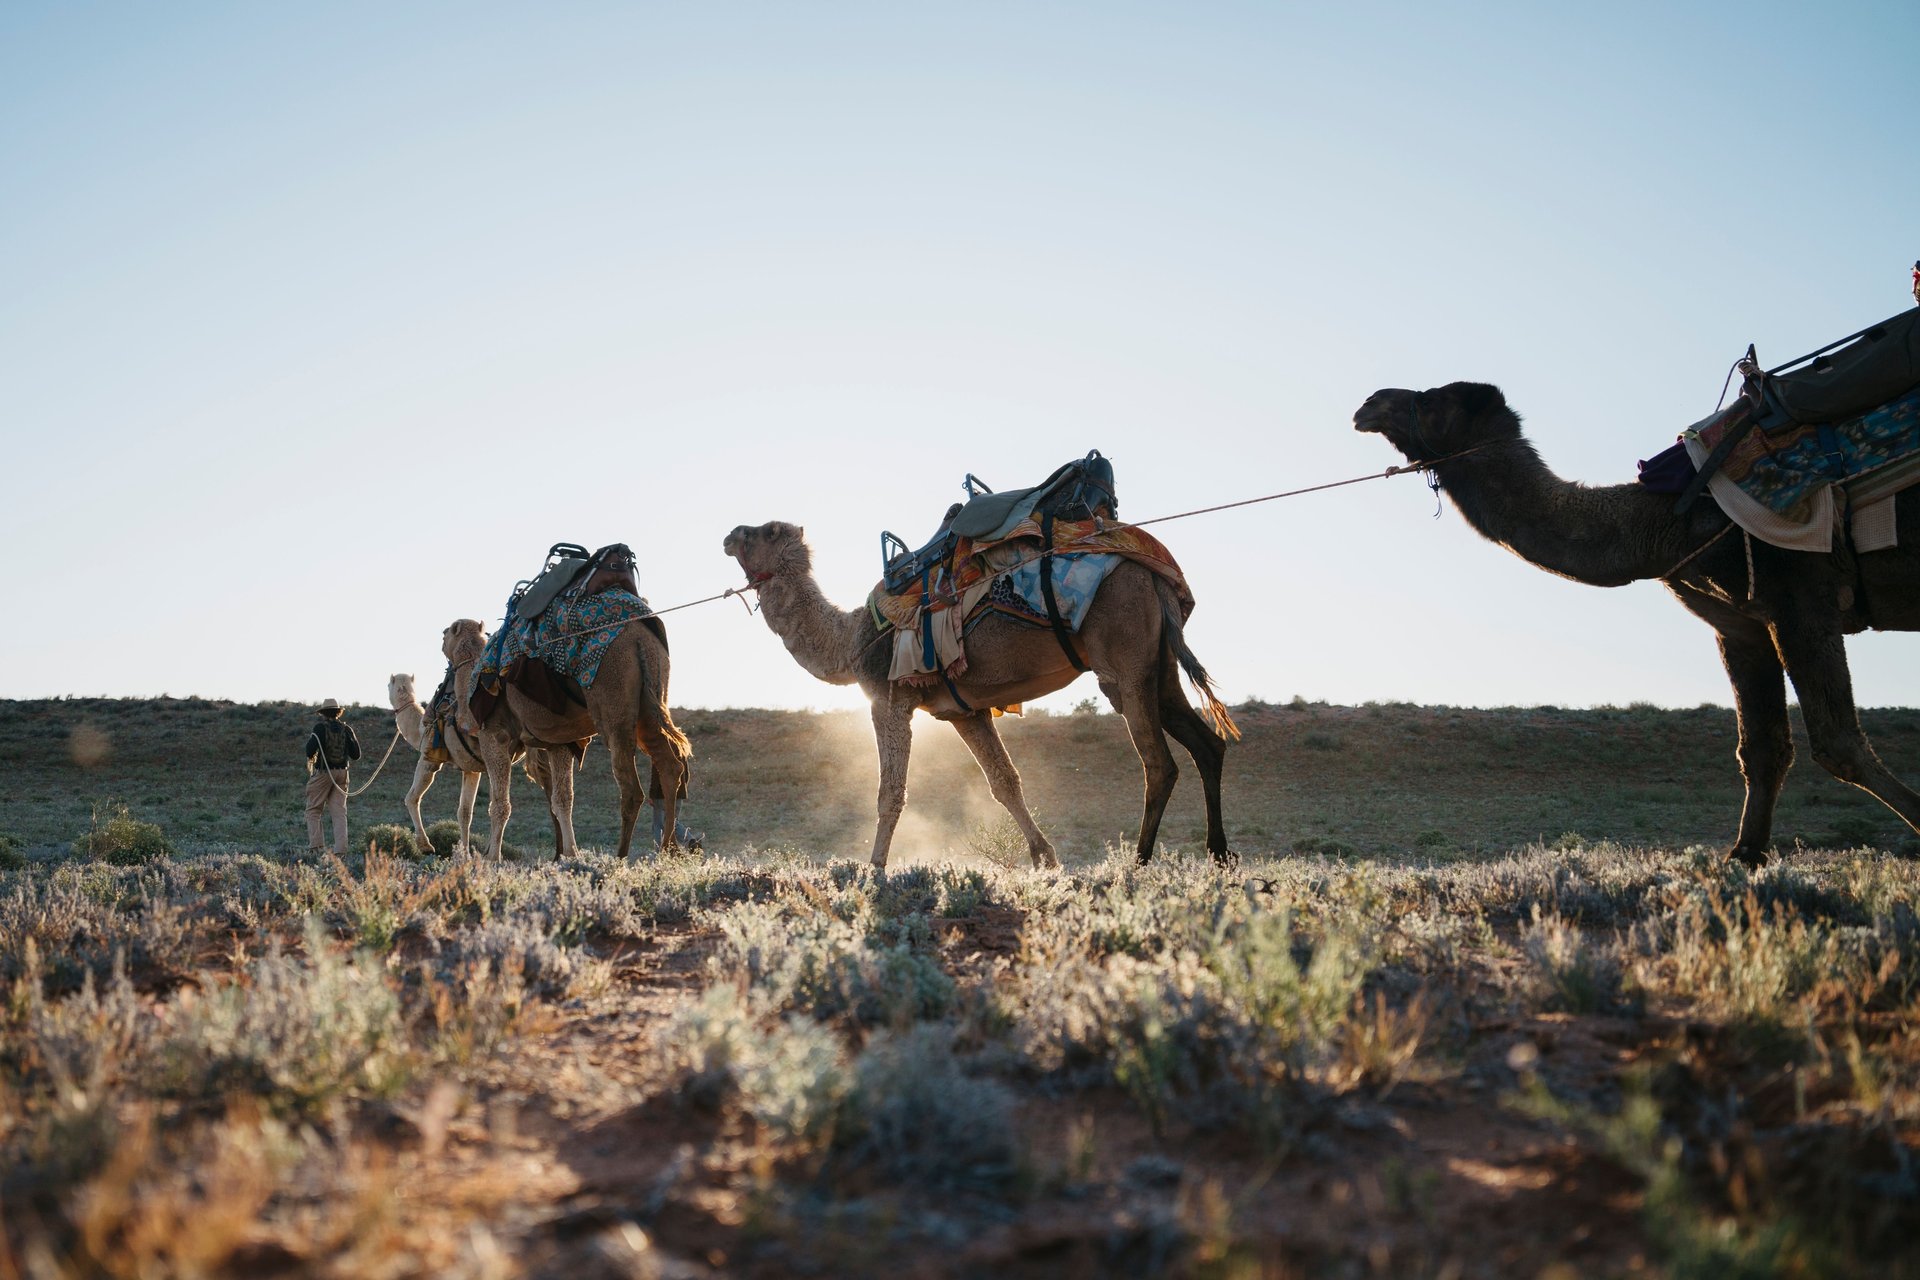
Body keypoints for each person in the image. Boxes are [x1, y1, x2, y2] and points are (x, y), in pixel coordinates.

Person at [304, 697, 361, 855]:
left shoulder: (319, 728)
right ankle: (340, 851)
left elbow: (309, 751)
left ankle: (316, 847)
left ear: (323, 713)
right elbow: (356, 755)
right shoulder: (347, 729)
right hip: (342, 774)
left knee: (313, 810)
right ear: (338, 712)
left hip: (323, 772)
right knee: (339, 812)